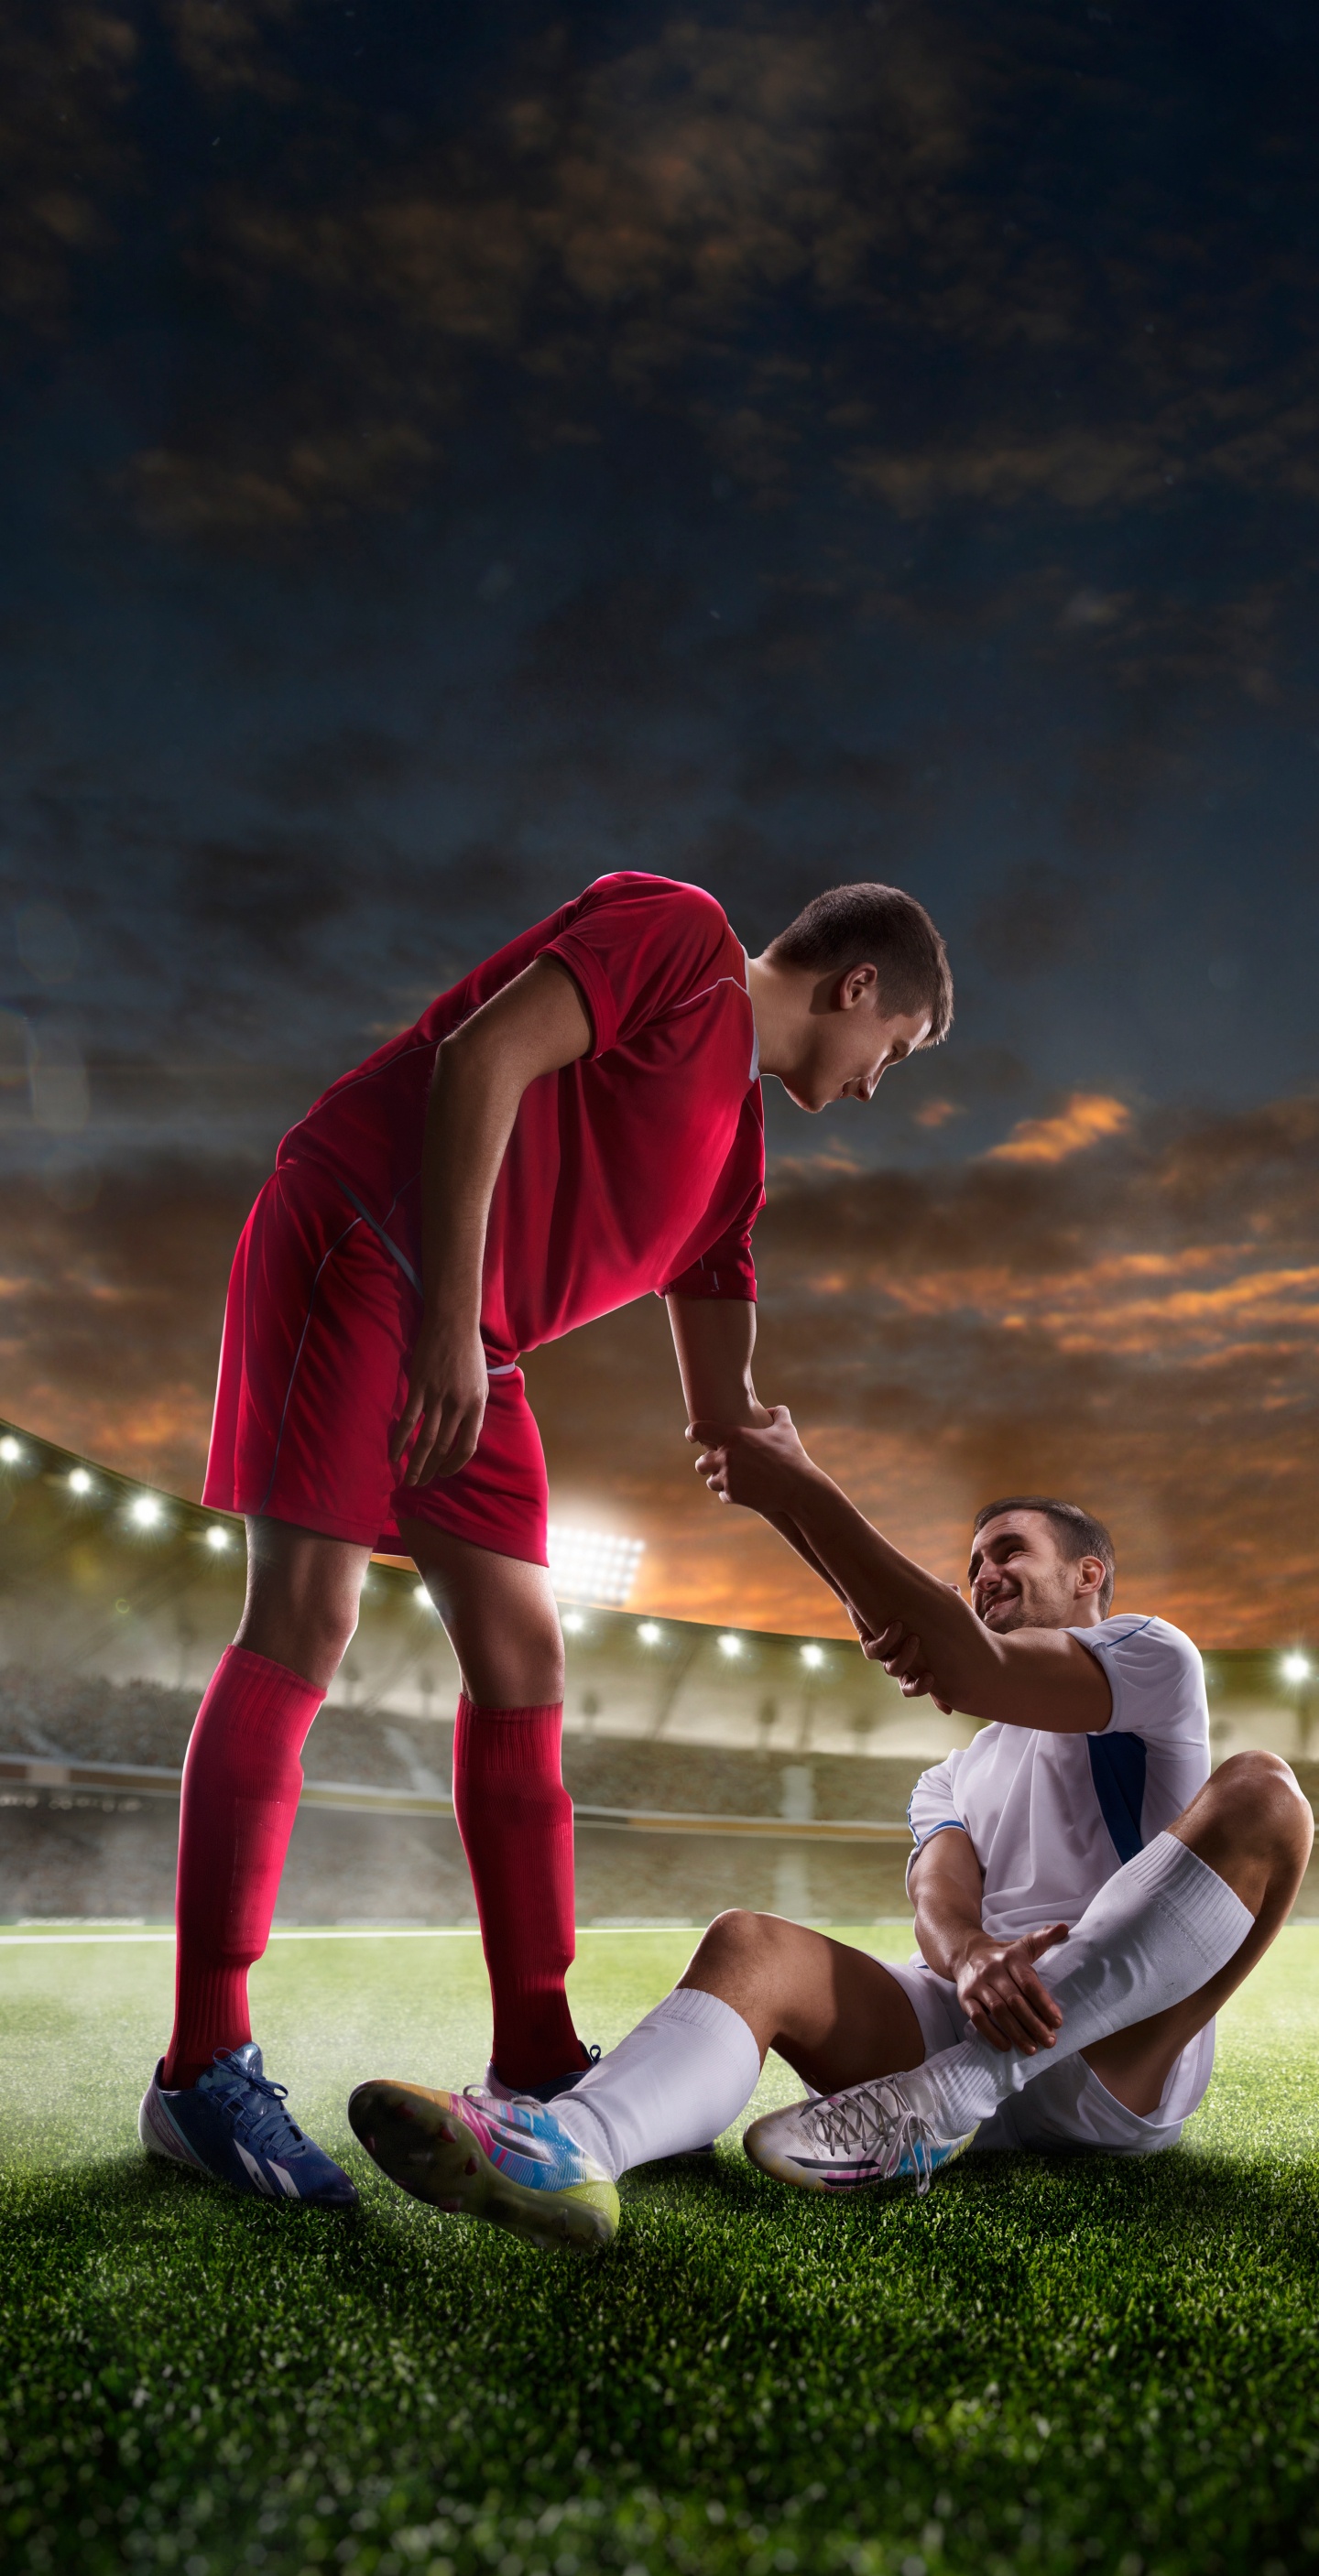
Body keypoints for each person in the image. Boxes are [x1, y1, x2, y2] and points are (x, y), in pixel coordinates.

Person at [139, 876, 953, 2205]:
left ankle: (532, 2056)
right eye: (897, 1052)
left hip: (478, 1340)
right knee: (306, 1618)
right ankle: (197, 2070)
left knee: (525, 1654)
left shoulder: (735, 1160)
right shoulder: (683, 939)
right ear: (858, 985)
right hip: (366, 1236)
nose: (877, 1084)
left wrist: (870, 1585)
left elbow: (731, 1426)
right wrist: (453, 1319)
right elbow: (482, 1056)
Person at [346, 1435, 1311, 2249]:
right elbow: (942, 1888)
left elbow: (968, 1664)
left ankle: (954, 2093)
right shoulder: (955, 1771)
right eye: (973, 1566)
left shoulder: (1153, 1661)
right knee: (749, 1942)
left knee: (1267, 1793)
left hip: (1109, 2062)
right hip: (968, 2019)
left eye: (1008, 1550)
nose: (984, 1575)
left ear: (1088, 1573)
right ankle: (574, 2143)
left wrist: (796, 1486)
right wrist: (970, 1956)